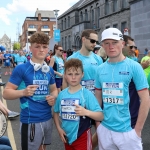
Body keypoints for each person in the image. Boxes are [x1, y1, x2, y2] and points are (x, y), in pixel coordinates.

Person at [95, 28, 150, 150]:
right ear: (102, 45)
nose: (111, 46)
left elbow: (145, 99)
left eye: (114, 42)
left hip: (128, 131)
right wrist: (98, 126)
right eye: (107, 43)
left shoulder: (134, 67)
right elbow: (97, 99)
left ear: (122, 43)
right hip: (105, 129)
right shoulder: (100, 69)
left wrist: (137, 130)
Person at [3, 32, 58, 150]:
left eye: (44, 46)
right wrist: (23, 92)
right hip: (30, 121)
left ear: (48, 49)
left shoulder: (49, 70)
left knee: (42, 148)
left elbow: (54, 90)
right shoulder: (21, 69)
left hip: (47, 118)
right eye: (37, 46)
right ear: (31, 48)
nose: (41, 50)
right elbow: (6, 93)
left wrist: (53, 97)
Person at [62, 29, 103, 149]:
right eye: (92, 40)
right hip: (79, 104)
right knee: (78, 135)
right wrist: (65, 101)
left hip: (96, 103)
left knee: (102, 132)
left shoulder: (98, 59)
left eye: (96, 41)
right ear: (83, 39)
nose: (95, 43)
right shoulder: (72, 59)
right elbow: (65, 82)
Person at [54, 58, 103, 150]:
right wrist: (59, 129)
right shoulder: (62, 94)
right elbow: (55, 111)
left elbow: (100, 116)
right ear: (65, 75)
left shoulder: (86, 94)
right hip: (67, 138)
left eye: (77, 74)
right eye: (70, 74)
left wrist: (86, 112)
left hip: (82, 137)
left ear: (82, 75)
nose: (73, 77)